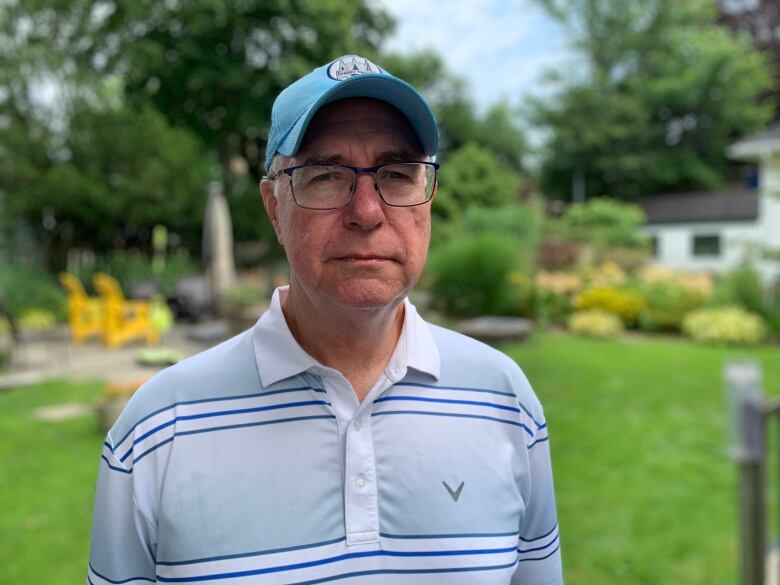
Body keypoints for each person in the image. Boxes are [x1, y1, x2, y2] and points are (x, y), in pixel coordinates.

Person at [87, 55, 562, 585]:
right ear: (274, 207)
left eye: (398, 174)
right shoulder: (158, 432)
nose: (366, 211)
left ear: (426, 199)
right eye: (325, 176)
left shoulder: (505, 402)